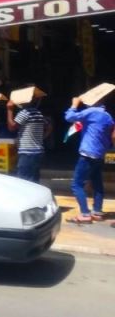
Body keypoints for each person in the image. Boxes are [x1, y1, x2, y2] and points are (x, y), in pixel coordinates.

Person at [64, 95, 115, 223]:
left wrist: (74, 104)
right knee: (97, 182)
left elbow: (69, 117)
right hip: (99, 154)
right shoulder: (108, 116)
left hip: (87, 153)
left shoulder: (91, 112)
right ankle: (97, 211)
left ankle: (85, 214)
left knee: (77, 184)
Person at [7, 96, 51, 183]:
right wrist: (42, 137)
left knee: (23, 181)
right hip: (38, 151)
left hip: (27, 152)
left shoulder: (25, 113)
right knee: (34, 181)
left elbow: (11, 127)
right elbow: (49, 126)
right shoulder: (38, 113)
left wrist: (9, 110)